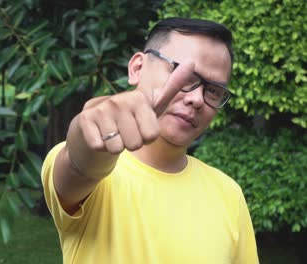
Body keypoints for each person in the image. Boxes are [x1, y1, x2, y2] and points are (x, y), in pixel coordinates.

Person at [41, 17, 259, 264]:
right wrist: (91, 132)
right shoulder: (97, 177)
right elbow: (80, 166)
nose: (197, 99)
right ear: (137, 68)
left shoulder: (228, 193)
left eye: (213, 90)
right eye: (184, 75)